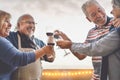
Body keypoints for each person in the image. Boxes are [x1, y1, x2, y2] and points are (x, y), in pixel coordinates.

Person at [56, 0, 120, 79]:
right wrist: (66, 40)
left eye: (100, 10)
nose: (99, 15)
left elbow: (97, 48)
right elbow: (81, 55)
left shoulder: (116, 22)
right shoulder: (91, 32)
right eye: (93, 15)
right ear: (88, 19)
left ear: (103, 8)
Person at [0, 10, 54, 80]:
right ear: (19, 25)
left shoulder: (38, 42)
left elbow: (50, 58)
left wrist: (51, 49)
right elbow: (18, 58)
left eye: (34, 23)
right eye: (28, 23)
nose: (32, 25)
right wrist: (44, 50)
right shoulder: (10, 37)